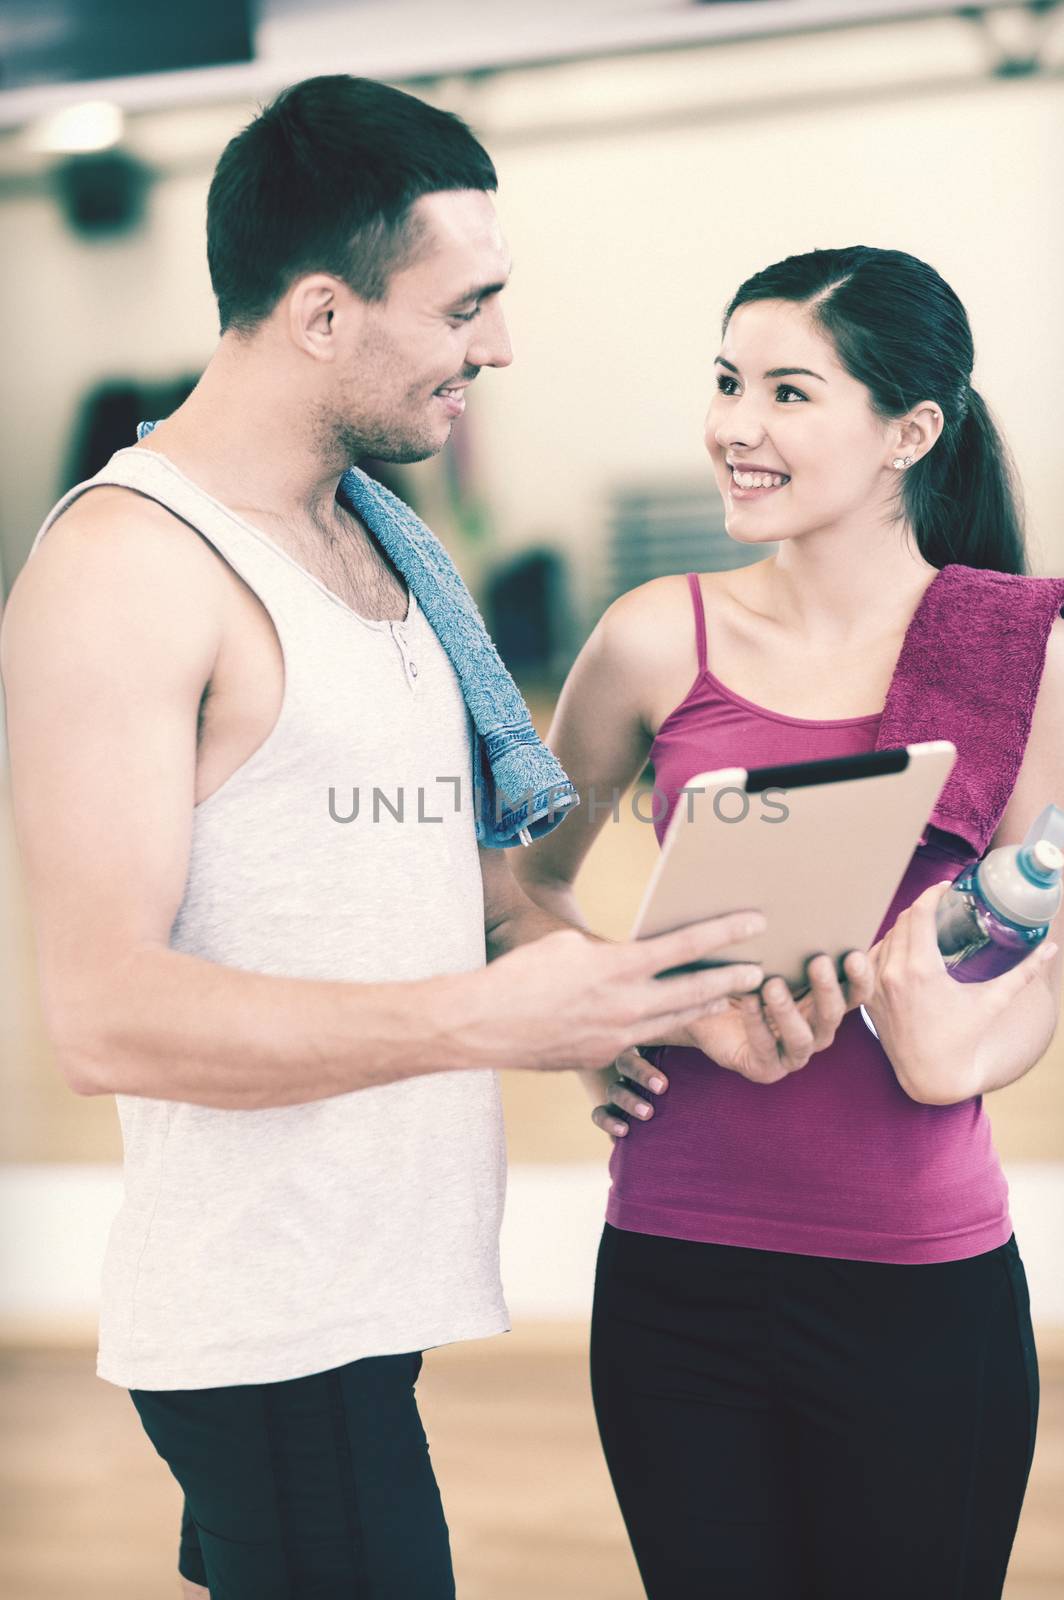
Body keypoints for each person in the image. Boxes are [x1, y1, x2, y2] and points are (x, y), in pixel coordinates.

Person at [0, 76, 790, 1600]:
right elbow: (101, 1015)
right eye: (464, 307)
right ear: (317, 314)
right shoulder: (125, 572)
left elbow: (467, 890)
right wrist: (480, 1022)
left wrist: (628, 996)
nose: (497, 346)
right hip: (262, 1320)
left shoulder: (380, 542)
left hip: (378, 1286)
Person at [511, 245, 1064, 1599]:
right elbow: (523, 883)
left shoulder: (1020, 648)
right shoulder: (656, 639)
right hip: (673, 1273)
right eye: (724, 384)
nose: (735, 427)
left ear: (909, 430)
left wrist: (952, 1051)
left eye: (785, 391)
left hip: (917, 1279)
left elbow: (1026, 950)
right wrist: (607, 1013)